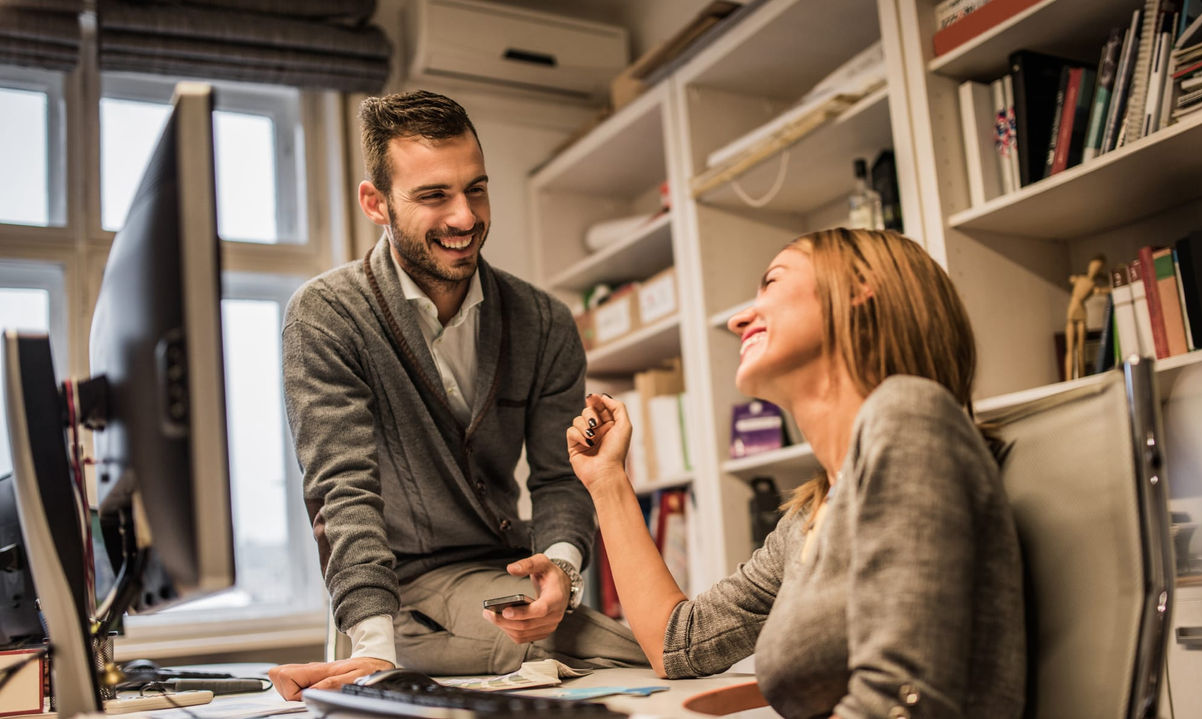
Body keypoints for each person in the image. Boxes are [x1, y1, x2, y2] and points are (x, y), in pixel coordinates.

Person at [269, 90, 644, 700]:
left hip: (503, 577)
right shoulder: (326, 317)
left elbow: (559, 475)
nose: (465, 218)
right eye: (434, 195)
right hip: (400, 595)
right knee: (631, 652)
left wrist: (564, 575)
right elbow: (343, 491)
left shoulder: (544, 322)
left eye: (476, 189)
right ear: (377, 203)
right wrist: (374, 654)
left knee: (621, 649)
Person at [567, 228, 1026, 718]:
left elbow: (904, 700)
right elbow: (677, 644)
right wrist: (608, 480)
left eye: (771, 283)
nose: (740, 318)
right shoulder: (812, 516)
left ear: (858, 290)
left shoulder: (911, 417)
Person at [1064, 254, 1108, 380]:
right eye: (1093, 266)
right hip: (1073, 309)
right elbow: (1071, 279)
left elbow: (1106, 290)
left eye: (1098, 268)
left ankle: (1082, 377)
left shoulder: (1093, 285)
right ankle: (1068, 379)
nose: (1094, 269)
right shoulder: (1079, 278)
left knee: (1081, 349)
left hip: (1082, 312)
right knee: (1070, 349)